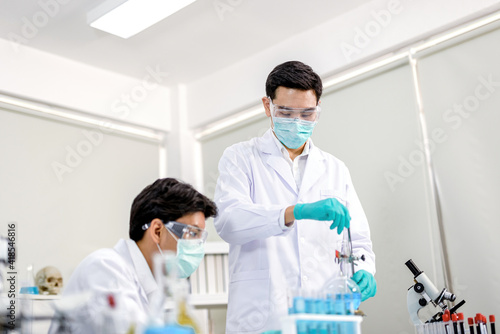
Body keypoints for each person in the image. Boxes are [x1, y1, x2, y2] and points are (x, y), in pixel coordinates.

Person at [214, 61, 376, 333]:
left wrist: (365, 270)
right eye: (286, 112)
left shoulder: (335, 168)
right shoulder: (240, 157)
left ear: (318, 109)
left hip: (325, 316)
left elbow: (357, 238)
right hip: (264, 318)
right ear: (268, 106)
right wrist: (294, 212)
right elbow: (229, 222)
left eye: (307, 113)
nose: (297, 122)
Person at [49, 178, 217, 334]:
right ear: (157, 230)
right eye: (193, 233)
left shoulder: (151, 288)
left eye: (201, 237)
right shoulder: (106, 267)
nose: (198, 246)